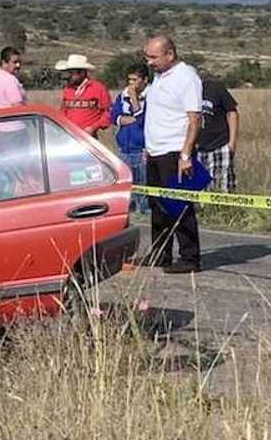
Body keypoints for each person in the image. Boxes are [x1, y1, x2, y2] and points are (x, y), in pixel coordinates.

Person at [140, 35, 203, 273]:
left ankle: (190, 257)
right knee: (157, 205)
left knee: (178, 205)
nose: (150, 62)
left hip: (175, 152)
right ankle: (160, 253)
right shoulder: (158, 77)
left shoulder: (187, 77)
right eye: (147, 57)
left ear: (170, 54)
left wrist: (186, 155)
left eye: (154, 57)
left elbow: (195, 120)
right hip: (155, 151)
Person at [111, 63, 150, 214]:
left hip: (142, 149)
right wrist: (129, 118)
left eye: (135, 80)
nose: (131, 84)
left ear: (144, 80)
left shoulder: (151, 96)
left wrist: (134, 100)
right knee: (127, 184)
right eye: (129, 80)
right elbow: (114, 117)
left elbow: (144, 121)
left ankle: (144, 212)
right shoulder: (122, 96)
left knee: (144, 185)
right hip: (124, 147)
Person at [197, 75, 239, 193]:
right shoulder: (185, 93)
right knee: (202, 188)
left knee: (223, 187)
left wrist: (232, 143)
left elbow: (232, 112)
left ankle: (225, 211)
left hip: (220, 144)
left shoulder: (215, 88)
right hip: (198, 147)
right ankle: (206, 211)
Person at [56, 53, 111, 137]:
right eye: (69, 72)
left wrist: (93, 128)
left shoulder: (98, 88)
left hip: (89, 137)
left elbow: (108, 113)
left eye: (72, 72)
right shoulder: (67, 89)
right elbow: (63, 111)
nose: (69, 75)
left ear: (82, 72)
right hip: (69, 136)